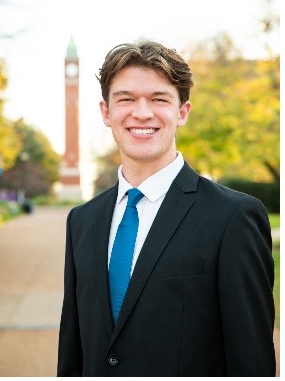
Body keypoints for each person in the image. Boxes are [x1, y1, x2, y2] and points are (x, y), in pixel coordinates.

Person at [57, 41, 275, 376]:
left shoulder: (233, 218)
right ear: (106, 112)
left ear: (182, 112)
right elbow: (73, 354)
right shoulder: (81, 221)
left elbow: (251, 361)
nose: (141, 113)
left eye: (159, 99)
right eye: (126, 98)